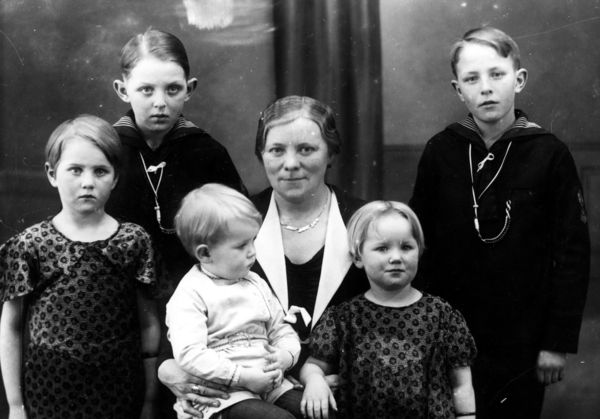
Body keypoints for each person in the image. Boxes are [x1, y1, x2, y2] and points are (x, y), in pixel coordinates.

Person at [409, 26, 590, 418]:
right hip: (449, 328)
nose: (486, 88)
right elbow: (418, 243)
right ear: (458, 90)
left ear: (518, 80)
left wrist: (556, 341)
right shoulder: (441, 151)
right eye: (472, 79)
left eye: (497, 74)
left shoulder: (549, 154)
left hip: (524, 333)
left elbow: (572, 255)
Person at [165, 96, 370, 418]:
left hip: (343, 395)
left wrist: (356, 374)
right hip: (245, 395)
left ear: (331, 152)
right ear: (261, 154)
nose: (290, 163)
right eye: (276, 150)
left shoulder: (366, 222)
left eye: (306, 149)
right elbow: (187, 322)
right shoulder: (231, 224)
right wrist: (169, 370)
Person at [107, 28, 246, 417]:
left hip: (194, 311)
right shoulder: (105, 153)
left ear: (190, 89)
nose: (159, 103)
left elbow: (235, 235)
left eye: (172, 89)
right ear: (122, 90)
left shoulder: (207, 153)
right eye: (146, 90)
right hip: (116, 310)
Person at [0, 115, 160, 419]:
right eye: (75, 170)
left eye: (100, 171)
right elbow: (11, 327)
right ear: (52, 174)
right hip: (49, 394)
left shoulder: (133, 240)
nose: (88, 182)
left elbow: (148, 324)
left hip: (119, 391)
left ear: (115, 178)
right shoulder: (30, 244)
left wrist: (150, 400)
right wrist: (15, 405)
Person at [299, 201, 477, 419]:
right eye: (382, 248)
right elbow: (314, 366)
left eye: (406, 247)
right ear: (358, 257)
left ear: (419, 251)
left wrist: (467, 416)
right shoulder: (344, 318)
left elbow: (461, 384)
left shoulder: (442, 315)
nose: (396, 257)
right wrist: (314, 380)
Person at [165, 183, 303, 419]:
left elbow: (281, 329)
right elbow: (189, 353)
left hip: (270, 381)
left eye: (253, 240)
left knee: (316, 410)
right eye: (241, 245)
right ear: (205, 253)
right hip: (225, 392)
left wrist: (286, 356)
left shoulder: (255, 282)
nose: (252, 251)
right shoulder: (190, 293)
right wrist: (242, 376)